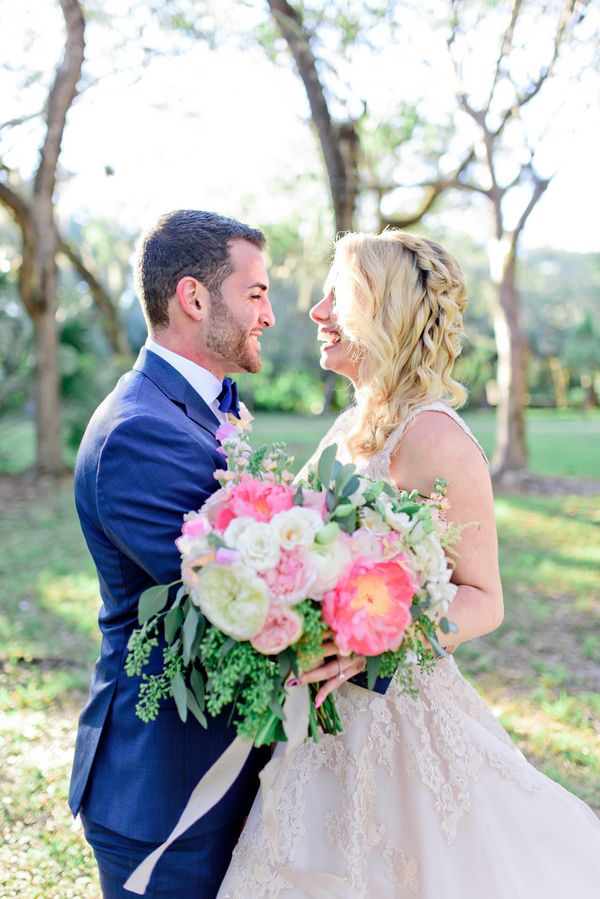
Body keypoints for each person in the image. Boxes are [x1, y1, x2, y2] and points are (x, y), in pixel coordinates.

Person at [217, 229, 600, 899]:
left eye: (334, 295)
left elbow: (485, 597)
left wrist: (376, 646)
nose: (316, 312)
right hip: (326, 718)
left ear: (376, 308)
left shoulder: (437, 437)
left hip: (403, 718)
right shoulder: (346, 427)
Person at [69, 210, 276, 898]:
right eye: (255, 294)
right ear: (193, 298)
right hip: (166, 794)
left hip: (224, 771)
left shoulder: (208, 408)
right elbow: (235, 602)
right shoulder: (138, 432)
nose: (268, 315)